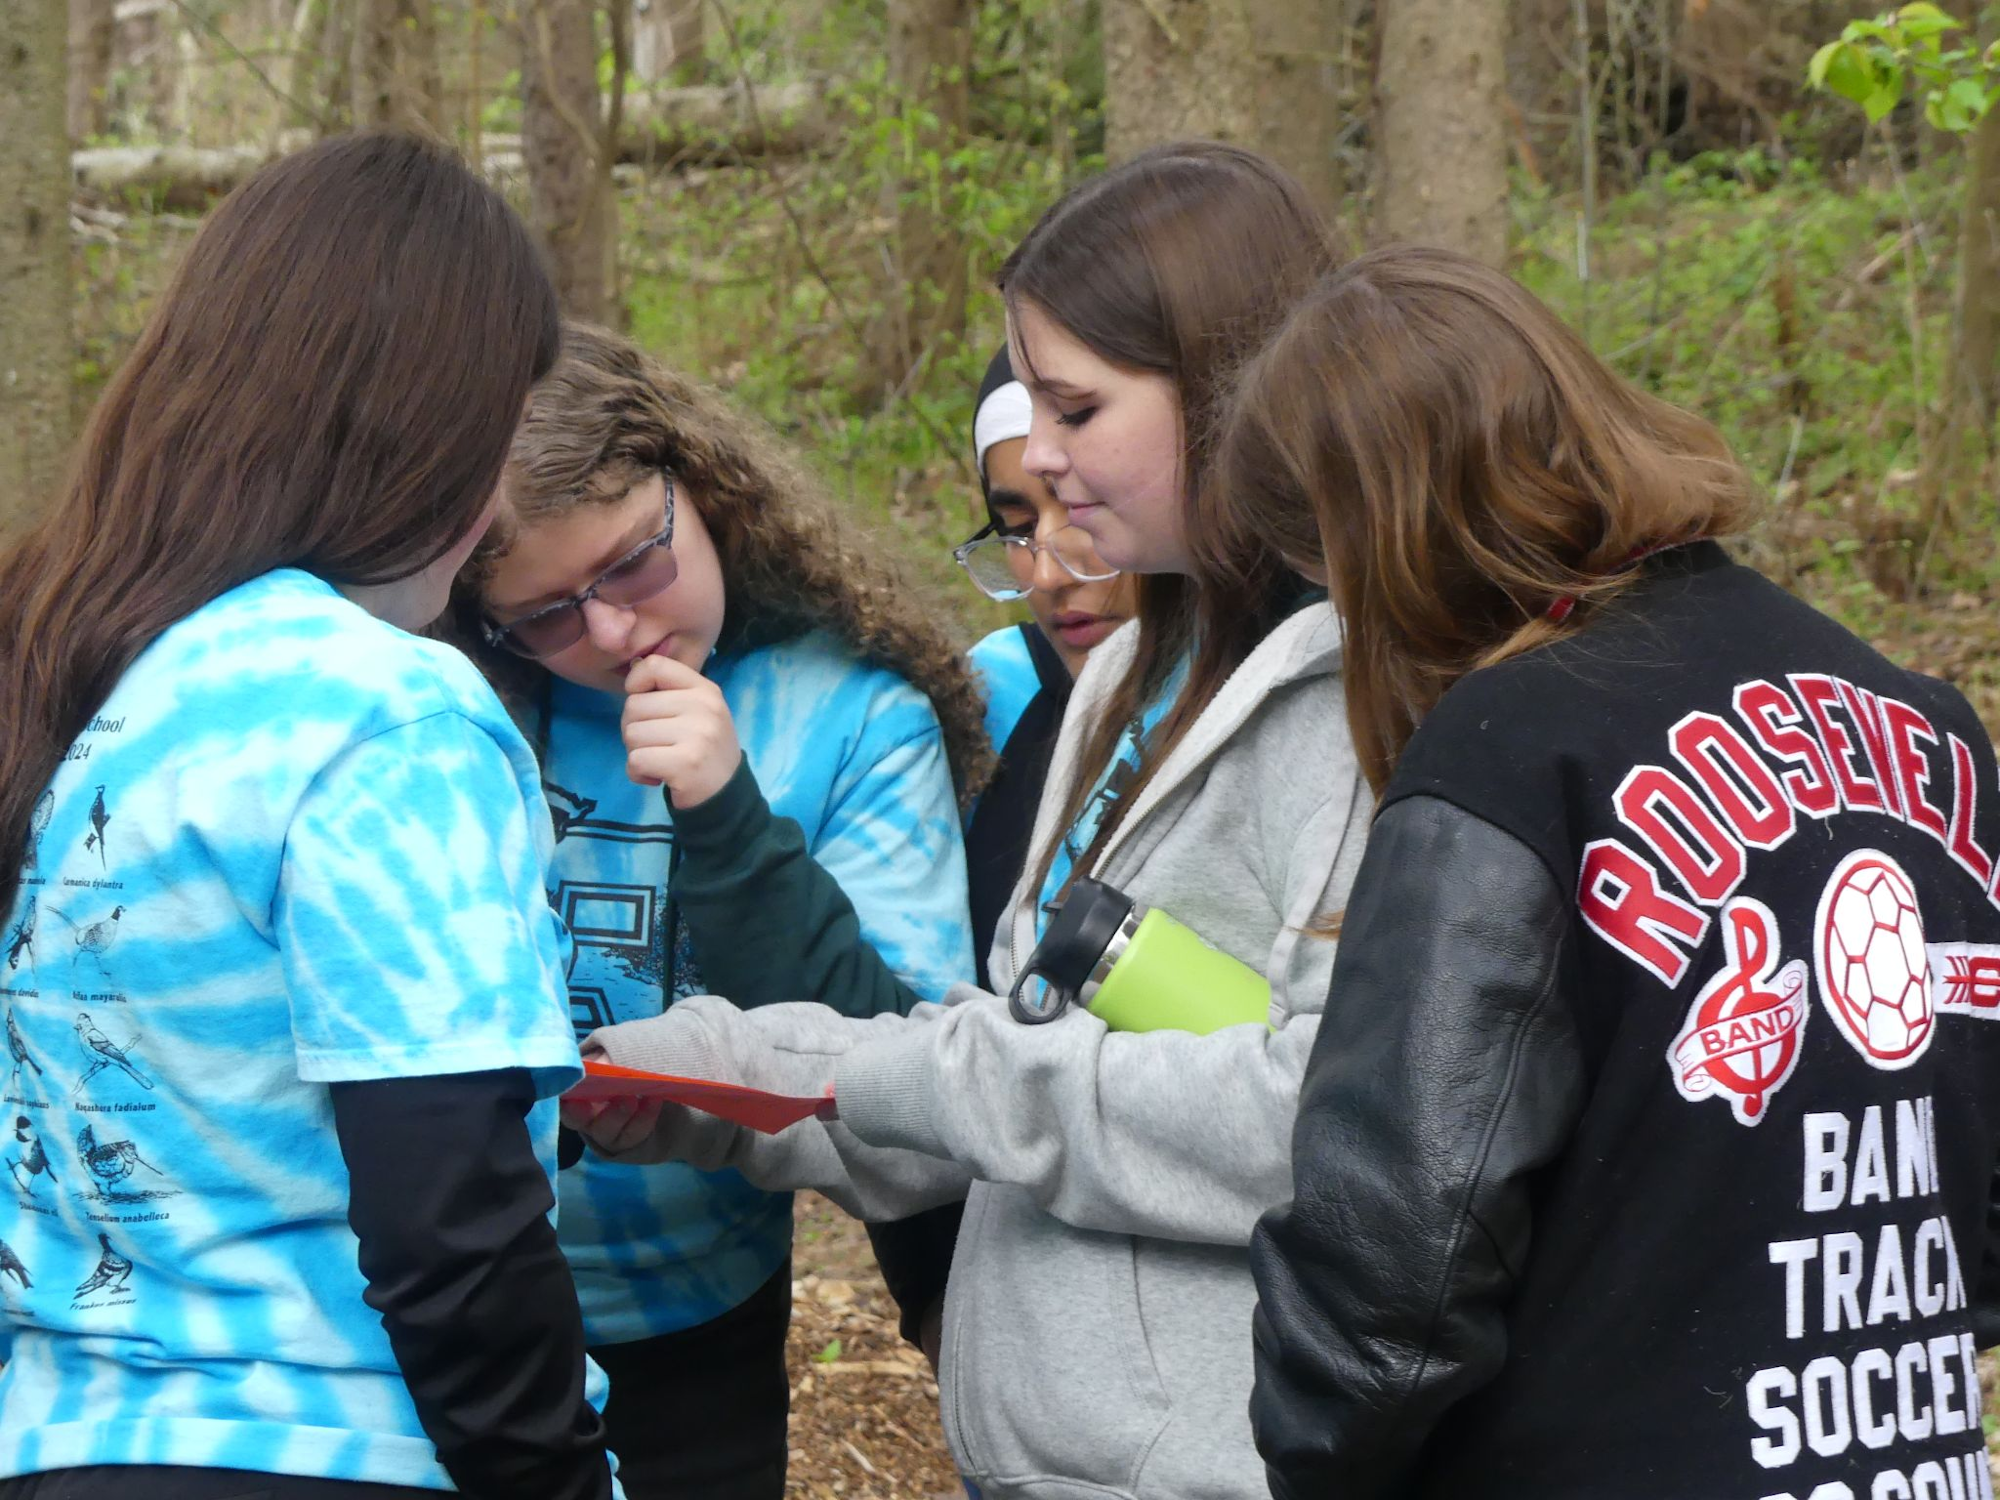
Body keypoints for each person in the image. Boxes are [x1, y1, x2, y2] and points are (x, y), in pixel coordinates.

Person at [565, 141, 1374, 1500]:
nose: (1038, 456)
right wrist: (714, 1080)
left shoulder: (1352, 702)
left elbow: (1326, 1133)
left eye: (1075, 405)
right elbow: (1014, 1071)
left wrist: (909, 1073)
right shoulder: (1113, 686)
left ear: (1235, 389)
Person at [1236, 246, 2000, 1500]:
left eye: (1322, 569)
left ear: (1372, 530)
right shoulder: (1923, 726)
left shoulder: (1508, 756)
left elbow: (1388, 1284)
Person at [0, 135, 614, 1499]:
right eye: (500, 441)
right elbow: (453, 1219)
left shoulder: (87, 687)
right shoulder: (385, 716)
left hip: (64, 1444)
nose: (502, 507)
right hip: (335, 1448)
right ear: (423, 425)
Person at [449, 323, 982, 1500]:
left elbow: (907, 1075)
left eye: (635, 565)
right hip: (449, 1303)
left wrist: (727, 816)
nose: (610, 634)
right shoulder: (451, 704)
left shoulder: (854, 715)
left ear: (701, 484)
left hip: (698, 1322)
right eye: (543, 614)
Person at [866, 346, 1138, 1364]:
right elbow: (910, 1010)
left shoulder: (1297, 692)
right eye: (1013, 528)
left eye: (1084, 514)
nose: (1047, 569)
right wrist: (933, 1300)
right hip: (1009, 1315)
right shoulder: (979, 711)